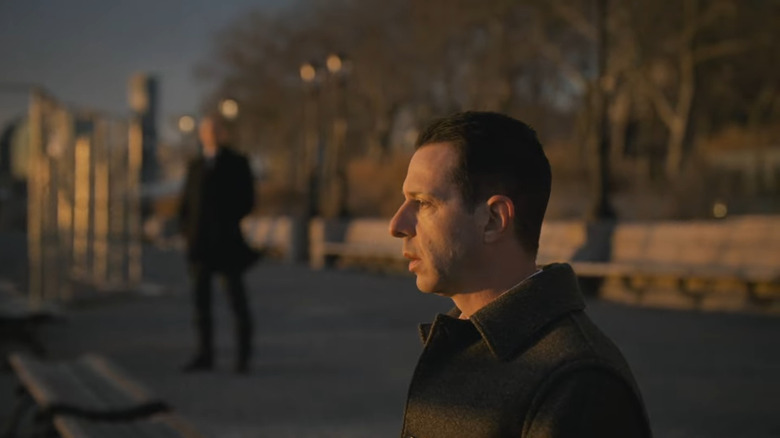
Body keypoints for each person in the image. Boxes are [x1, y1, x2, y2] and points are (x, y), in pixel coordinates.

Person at [389, 111, 652, 437]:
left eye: (423, 202)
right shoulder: (464, 338)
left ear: (494, 220)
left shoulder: (579, 385)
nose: (397, 225)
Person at [179, 112, 258, 374]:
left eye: (215, 130)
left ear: (222, 133)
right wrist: (187, 234)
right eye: (206, 130)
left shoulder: (238, 162)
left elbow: (247, 200)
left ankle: (243, 358)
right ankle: (205, 355)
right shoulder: (195, 166)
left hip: (227, 246)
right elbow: (186, 205)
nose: (210, 135)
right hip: (200, 247)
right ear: (201, 134)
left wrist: (226, 221)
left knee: (237, 303)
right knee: (201, 306)